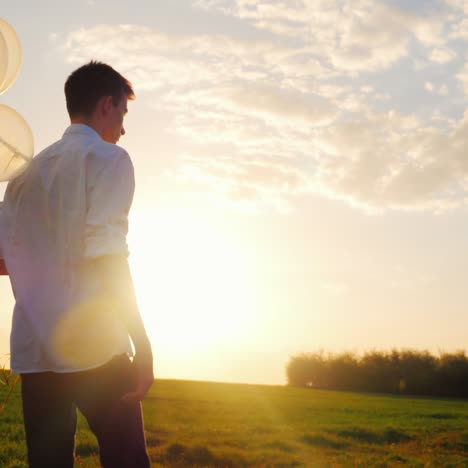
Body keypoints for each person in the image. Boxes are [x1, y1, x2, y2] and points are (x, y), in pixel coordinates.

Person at [0, 61, 153, 467]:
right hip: (97, 349)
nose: (123, 128)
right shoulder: (109, 160)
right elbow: (108, 255)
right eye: (122, 113)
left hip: (35, 351)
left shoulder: (20, 177)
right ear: (107, 104)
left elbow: (4, 259)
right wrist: (143, 343)